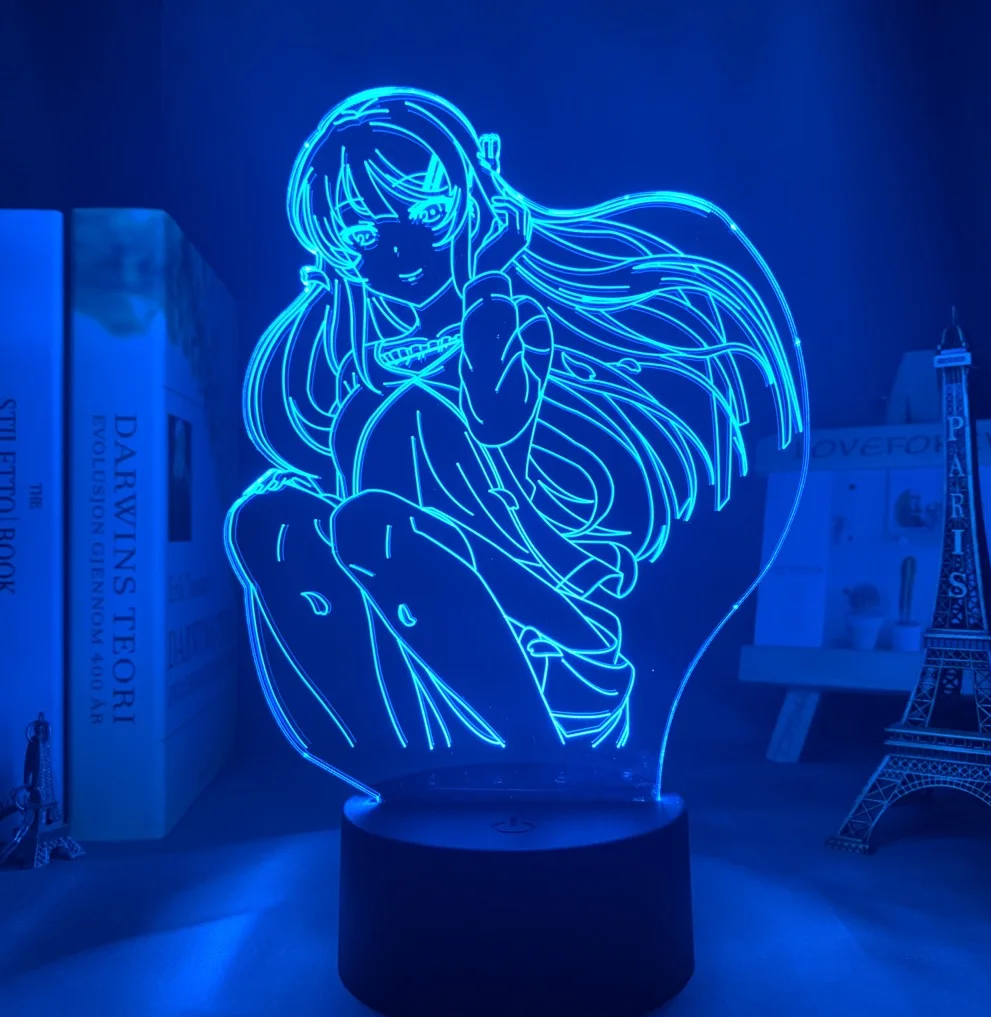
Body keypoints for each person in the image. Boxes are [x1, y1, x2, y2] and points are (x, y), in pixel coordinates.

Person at [225, 87, 804, 790]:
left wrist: (489, 291)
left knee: (387, 482)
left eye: (428, 215)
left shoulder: (508, 318)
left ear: (473, 197)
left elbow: (502, 425)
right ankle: (400, 769)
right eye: (365, 237)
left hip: (545, 628)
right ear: (335, 250)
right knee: (270, 517)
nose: (404, 250)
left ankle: (538, 752)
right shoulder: (355, 366)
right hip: (409, 640)